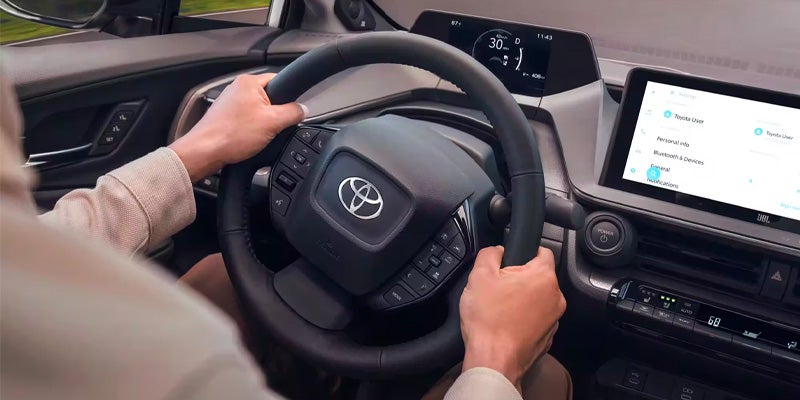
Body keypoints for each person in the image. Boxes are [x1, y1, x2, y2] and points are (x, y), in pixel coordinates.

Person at [0, 72, 570, 399]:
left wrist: (199, 149)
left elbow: (30, 244)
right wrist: (495, 358)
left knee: (225, 277)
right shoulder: (183, 374)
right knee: (542, 380)